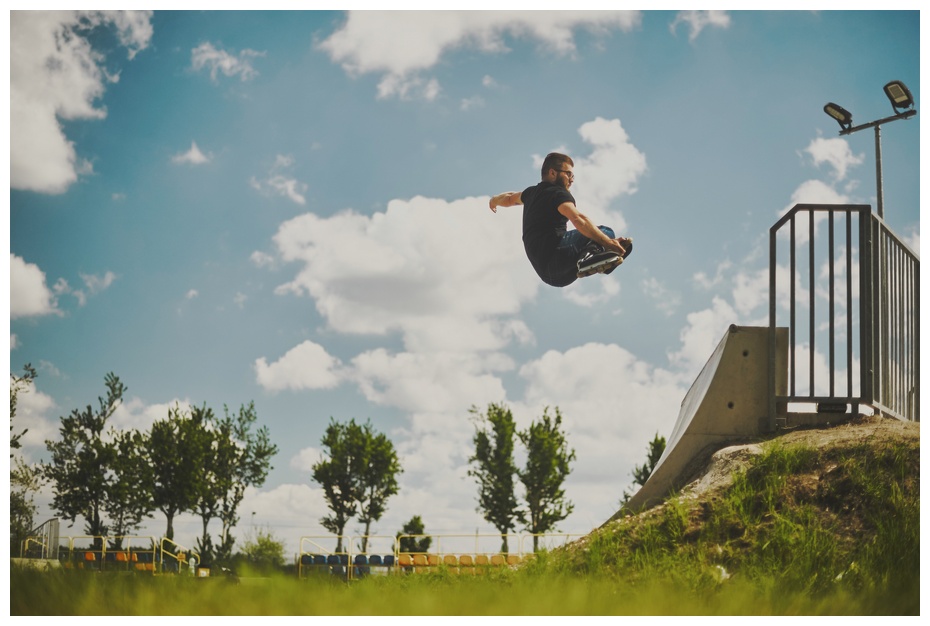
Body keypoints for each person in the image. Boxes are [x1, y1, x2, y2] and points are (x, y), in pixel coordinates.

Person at [489, 152, 632, 288]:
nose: (571, 179)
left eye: (573, 176)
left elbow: (508, 198)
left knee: (600, 238)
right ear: (553, 173)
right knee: (605, 231)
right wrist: (608, 242)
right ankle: (590, 258)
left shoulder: (530, 193)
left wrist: (494, 200)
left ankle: (602, 259)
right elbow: (579, 219)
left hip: (550, 276)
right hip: (556, 258)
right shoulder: (558, 194)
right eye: (568, 174)